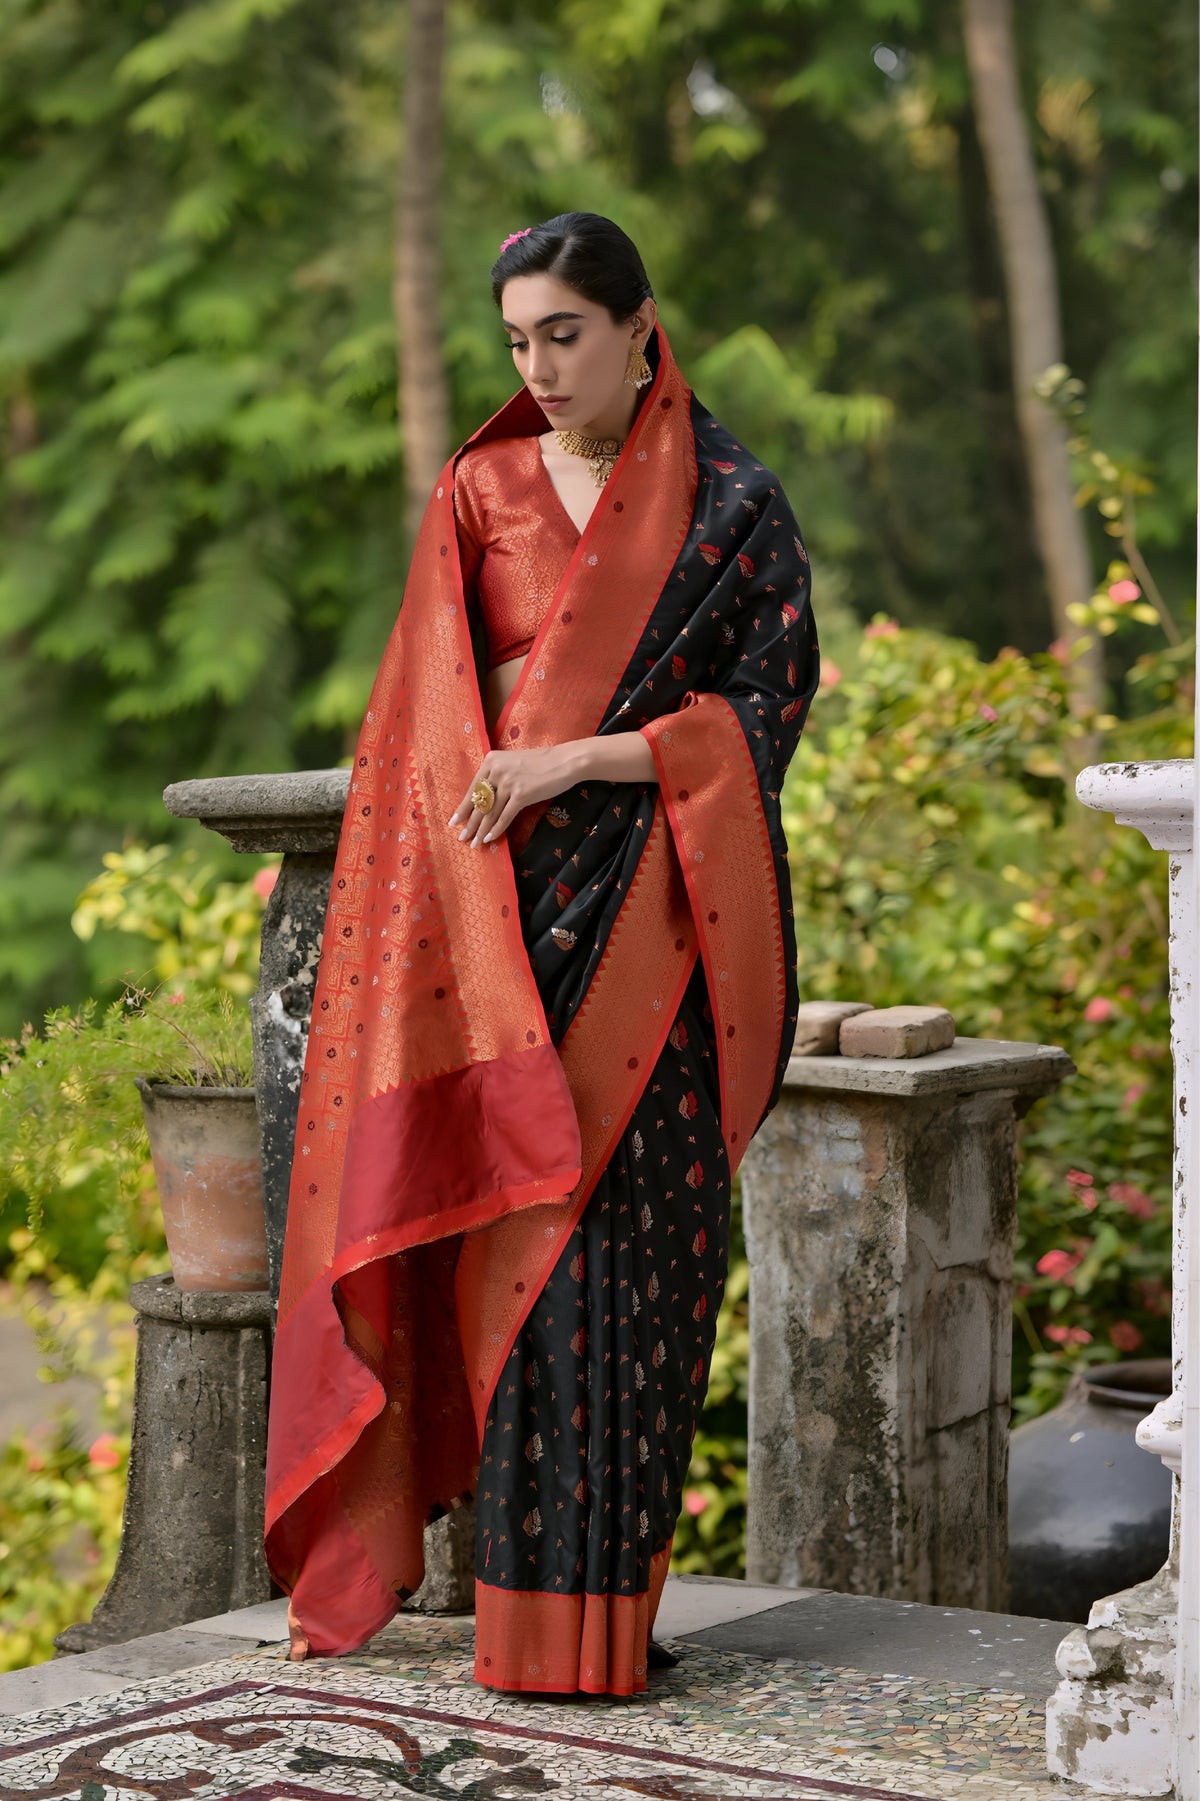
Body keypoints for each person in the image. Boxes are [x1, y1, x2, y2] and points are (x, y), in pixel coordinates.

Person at [263, 211, 820, 1697]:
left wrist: (578, 757)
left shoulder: (735, 506)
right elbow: (420, 733)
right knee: (519, 1260)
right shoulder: (479, 491)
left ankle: (613, 1628)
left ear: (644, 327)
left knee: (644, 1273)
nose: (539, 364)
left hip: (661, 933)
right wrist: (497, 794)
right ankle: (521, 1636)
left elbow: (759, 722)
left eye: (564, 332)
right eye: (517, 338)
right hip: (496, 939)